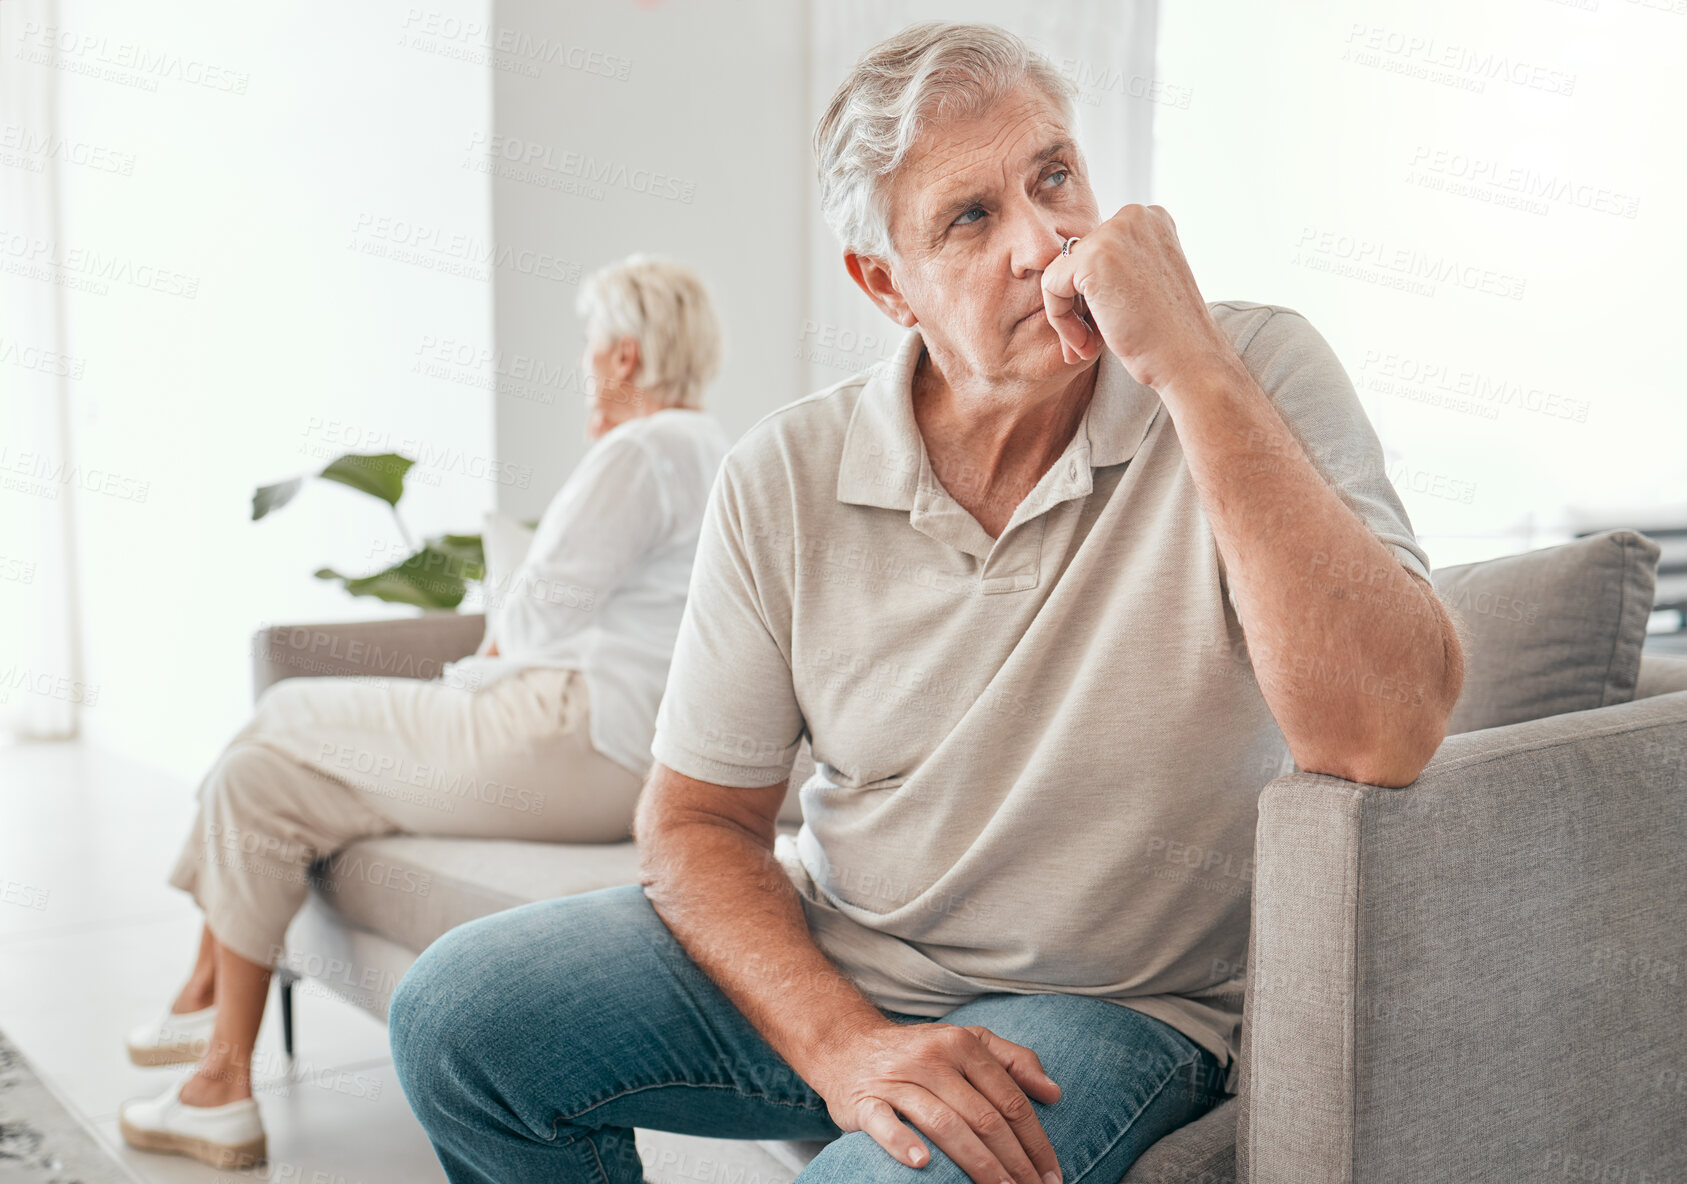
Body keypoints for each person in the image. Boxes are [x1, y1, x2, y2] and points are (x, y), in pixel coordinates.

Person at [389, 21, 1467, 1184]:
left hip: (1113, 1007)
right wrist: (846, 1044)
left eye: (1054, 177)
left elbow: (1381, 729)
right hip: (850, 957)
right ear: (884, 284)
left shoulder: (1252, 367)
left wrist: (1190, 369)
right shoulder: (782, 475)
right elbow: (697, 824)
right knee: (457, 1012)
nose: (1045, 240)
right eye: (971, 217)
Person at [117, 254, 734, 1171]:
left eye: (590, 348)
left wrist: (481, 660)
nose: (583, 365)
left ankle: (203, 991)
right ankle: (218, 1084)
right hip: (617, 754)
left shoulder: (640, 449)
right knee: (261, 780)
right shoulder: (711, 446)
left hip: (568, 731)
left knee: (284, 710)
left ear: (622, 360)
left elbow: (530, 617)